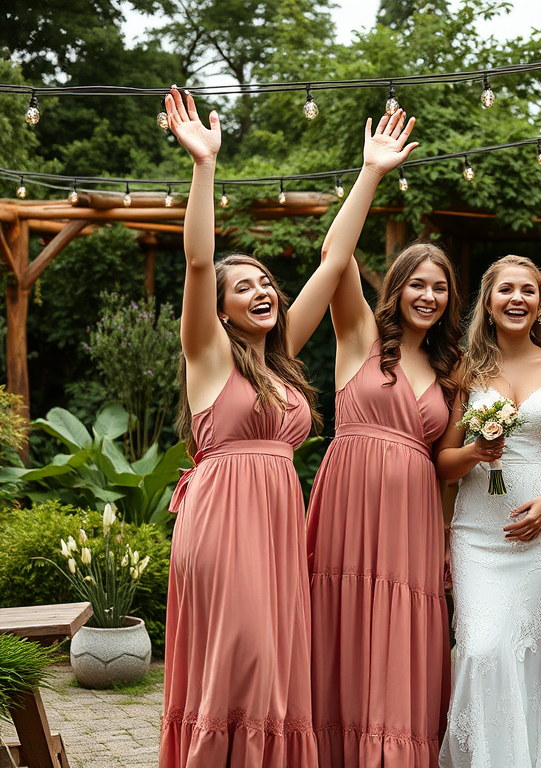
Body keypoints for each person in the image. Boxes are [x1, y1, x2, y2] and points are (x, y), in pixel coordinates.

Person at [160, 88, 415, 766]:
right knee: (242, 659)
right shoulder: (208, 354)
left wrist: (371, 172)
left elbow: (334, 265)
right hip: (222, 524)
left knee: (274, 668)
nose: (262, 290)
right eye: (243, 286)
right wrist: (204, 166)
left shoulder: (282, 360)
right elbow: (194, 263)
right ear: (218, 308)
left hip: (276, 527)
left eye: (266, 280)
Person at [304, 131, 461, 765]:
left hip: (414, 522)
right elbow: (334, 256)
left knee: (402, 634)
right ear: (395, 288)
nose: (428, 296)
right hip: (348, 504)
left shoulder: (452, 371)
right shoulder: (359, 336)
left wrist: (448, 536)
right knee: (343, 623)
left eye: (441, 288)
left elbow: (447, 471)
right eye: (417, 284)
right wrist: (369, 172)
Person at [436, 255, 541, 768]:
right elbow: (444, 461)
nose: (517, 299)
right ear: (489, 301)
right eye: (506, 290)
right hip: (478, 531)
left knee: (529, 648)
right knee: (479, 648)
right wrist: (477, 452)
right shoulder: (466, 368)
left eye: (528, 291)